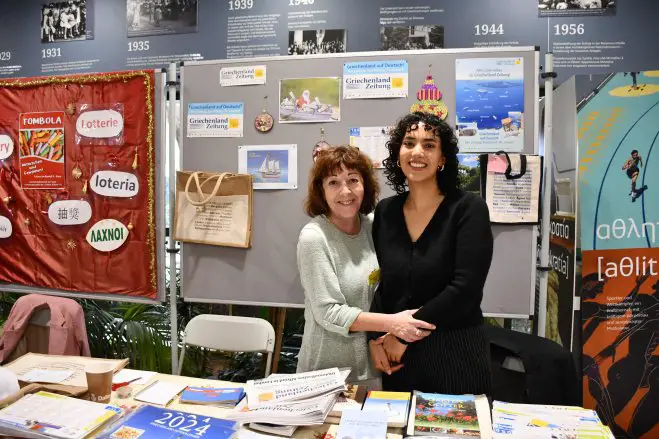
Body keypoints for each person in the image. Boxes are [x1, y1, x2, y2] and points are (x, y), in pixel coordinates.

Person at [368, 112, 494, 395]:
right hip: (397, 357)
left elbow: (466, 290)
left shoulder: (468, 209)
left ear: (443, 158)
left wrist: (405, 336)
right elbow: (385, 284)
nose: (417, 152)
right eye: (409, 143)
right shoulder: (386, 212)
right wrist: (375, 339)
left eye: (429, 145)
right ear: (397, 153)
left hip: (454, 353)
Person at [297, 145, 435, 382]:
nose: (345, 191)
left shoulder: (374, 225)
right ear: (321, 190)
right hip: (326, 372)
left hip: (374, 367)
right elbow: (328, 312)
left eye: (353, 180)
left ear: (365, 186)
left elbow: (385, 290)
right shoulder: (314, 237)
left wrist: (375, 338)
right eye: (333, 182)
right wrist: (393, 324)